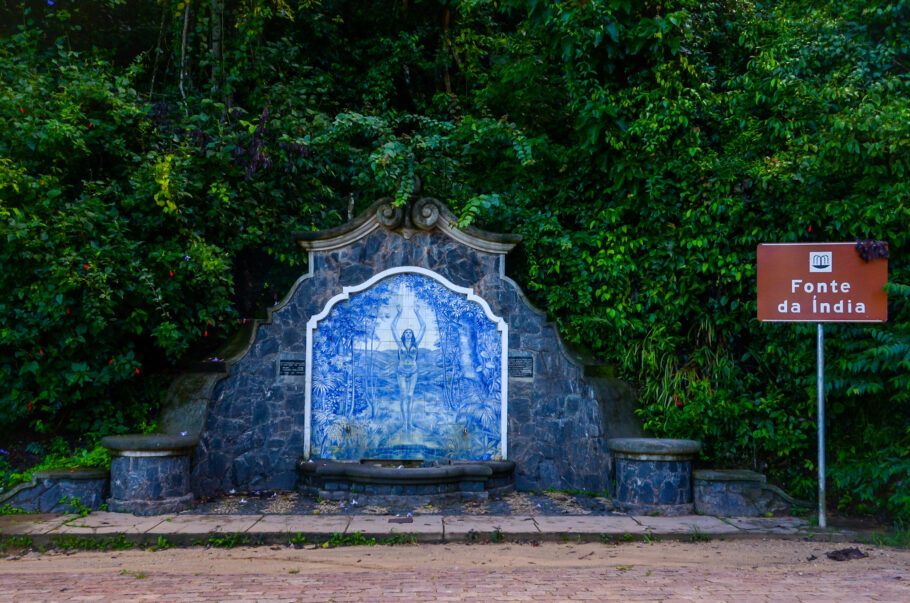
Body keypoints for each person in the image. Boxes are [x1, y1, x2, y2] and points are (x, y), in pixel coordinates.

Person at [391, 303, 426, 430]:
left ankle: (409, 423)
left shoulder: (416, 345)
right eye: (406, 332)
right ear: (404, 335)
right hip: (401, 372)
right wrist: (398, 314)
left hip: (413, 372)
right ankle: (404, 424)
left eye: (410, 332)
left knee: (410, 396)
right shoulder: (399, 344)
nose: (408, 334)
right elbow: (393, 327)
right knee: (403, 396)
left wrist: (417, 312)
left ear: (412, 335)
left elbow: (423, 327)